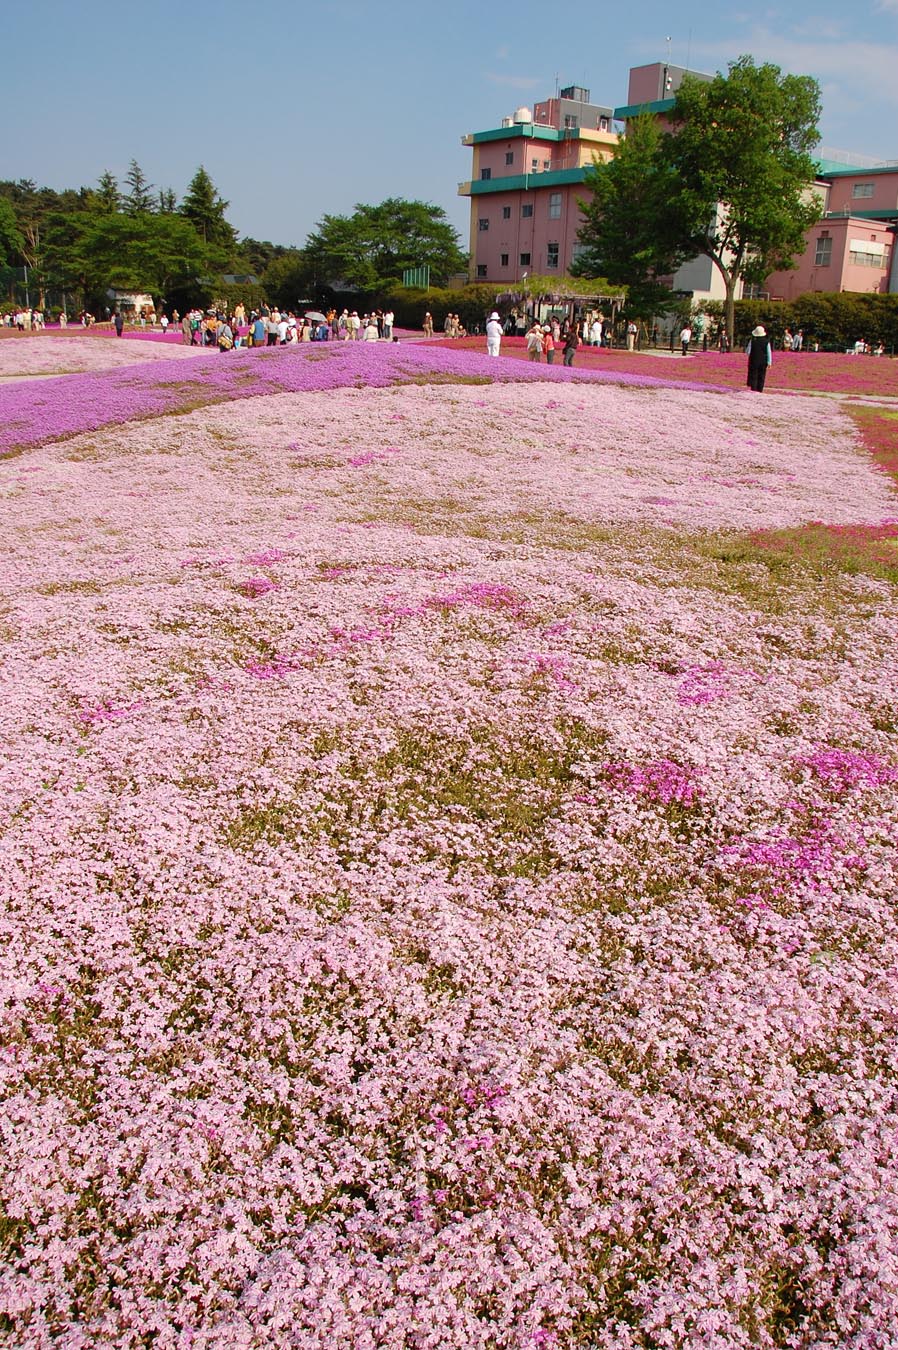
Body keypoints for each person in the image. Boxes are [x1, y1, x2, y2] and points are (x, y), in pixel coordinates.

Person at [746, 324, 772, 391]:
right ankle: (760, 389)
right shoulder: (766, 342)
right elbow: (769, 352)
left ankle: (753, 389)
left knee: (754, 375)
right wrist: (769, 362)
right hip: (763, 361)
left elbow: (748, 352)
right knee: (762, 375)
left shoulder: (752, 341)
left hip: (754, 360)